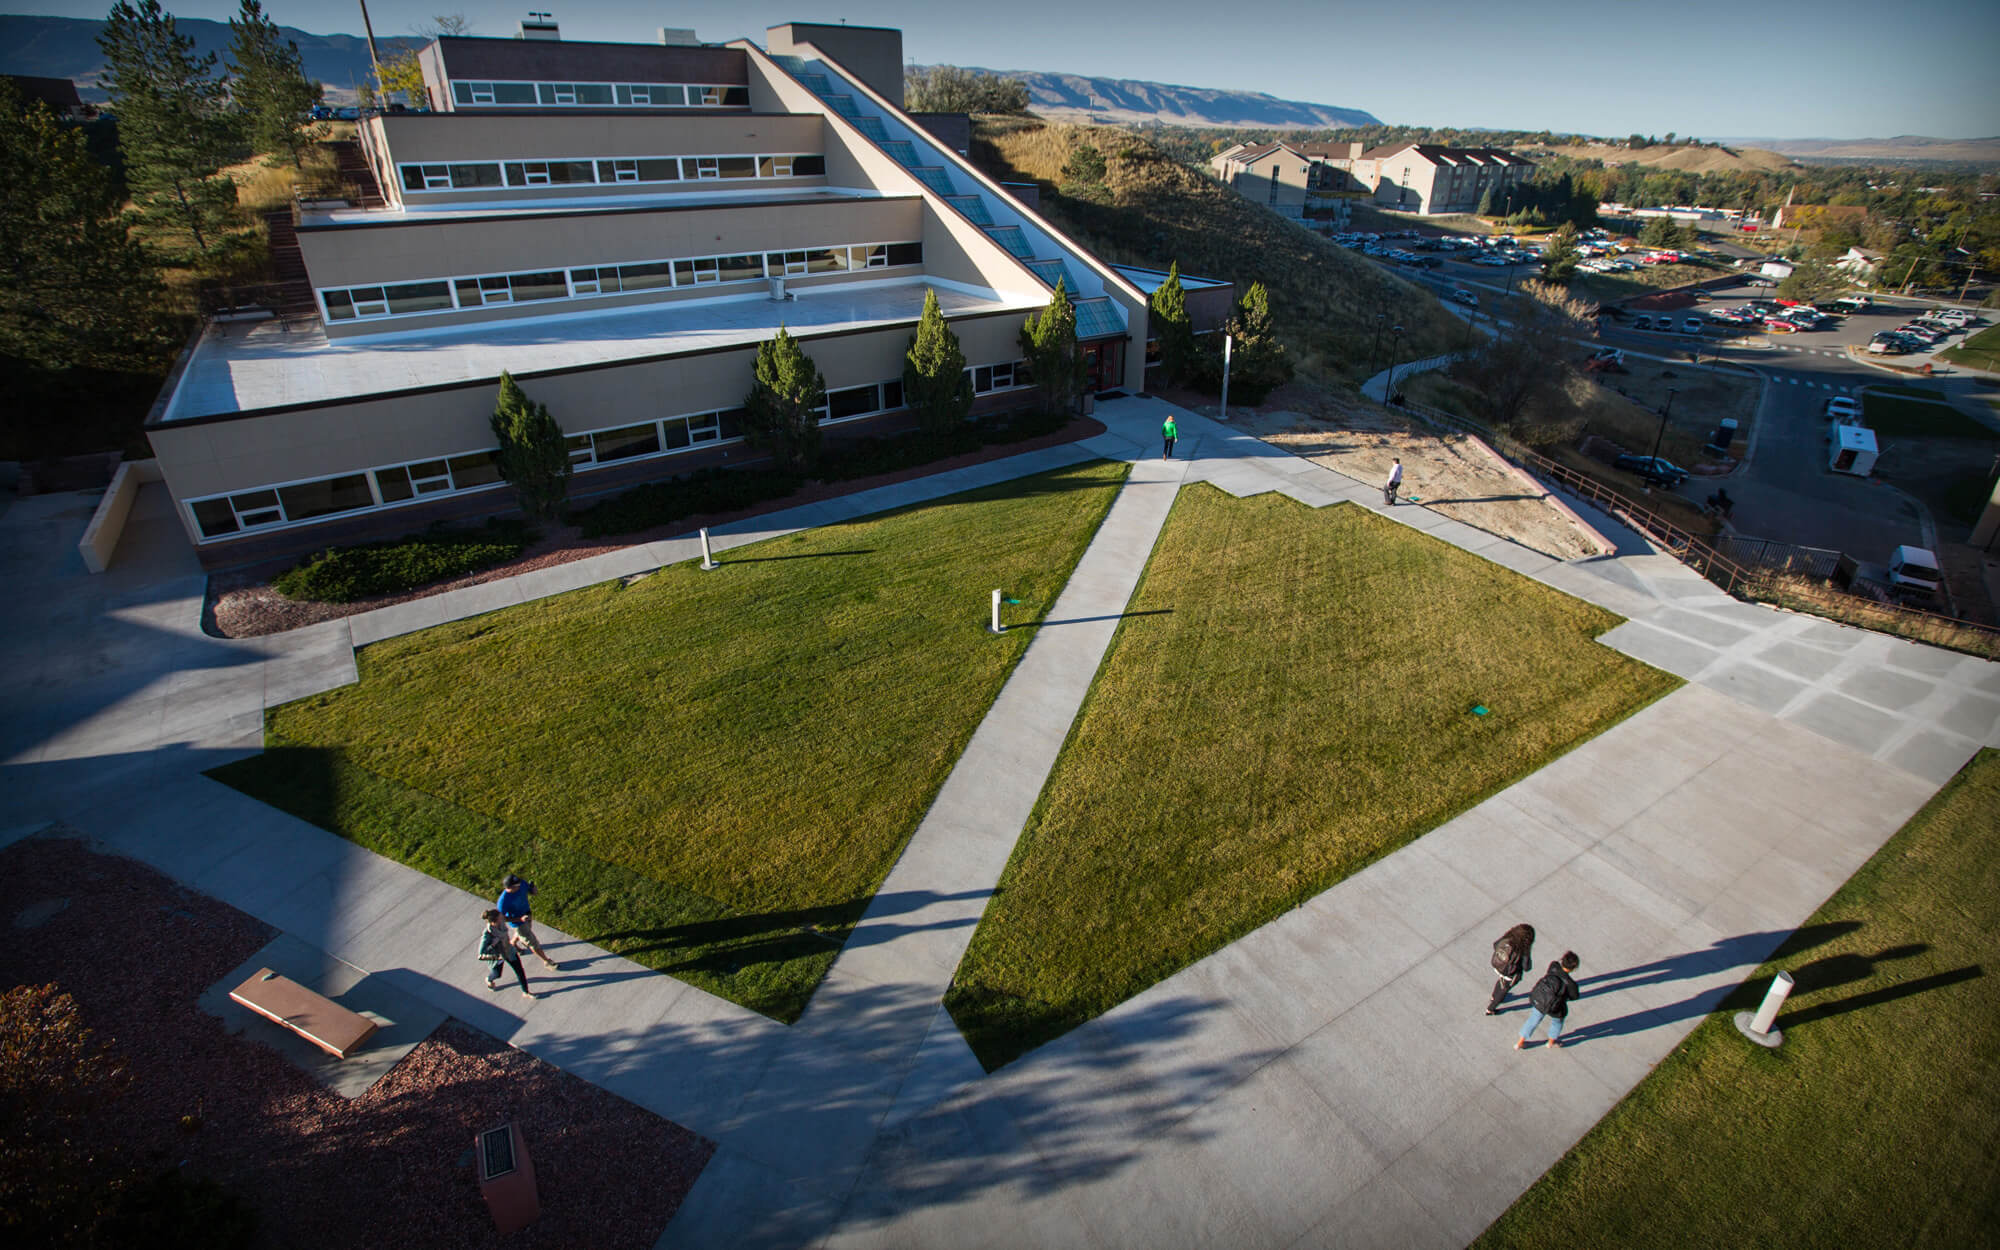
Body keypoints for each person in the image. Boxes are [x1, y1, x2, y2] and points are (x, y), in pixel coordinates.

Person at [1516, 951, 1581, 1049]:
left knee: (1533, 1019)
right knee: (1557, 1022)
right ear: (1574, 968)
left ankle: (1520, 1042)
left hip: (1541, 1000)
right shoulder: (1571, 984)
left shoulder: (1554, 966)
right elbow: (1574, 996)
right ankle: (1551, 1042)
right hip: (1556, 1007)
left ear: (1562, 960)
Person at [497, 874, 558, 970]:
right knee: (533, 942)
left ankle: (512, 944)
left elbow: (532, 892)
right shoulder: (503, 901)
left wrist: (534, 890)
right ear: (510, 888)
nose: (520, 886)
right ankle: (547, 961)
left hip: (527, 914)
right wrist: (519, 919)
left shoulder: (522, 884)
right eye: (517, 885)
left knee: (526, 931)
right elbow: (502, 919)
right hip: (517, 923)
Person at [480, 908, 534, 998]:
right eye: (500, 918)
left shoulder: (500, 922)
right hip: (498, 956)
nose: (503, 919)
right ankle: (489, 979)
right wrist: (494, 948)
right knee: (497, 974)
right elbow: (481, 955)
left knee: (519, 970)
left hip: (509, 951)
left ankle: (526, 992)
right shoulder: (487, 935)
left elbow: (507, 919)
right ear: (494, 922)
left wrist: (520, 919)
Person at [1486, 922, 1535, 1015]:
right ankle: (1490, 1009)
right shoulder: (1523, 949)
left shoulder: (1508, 937)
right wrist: (1528, 951)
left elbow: (1495, 944)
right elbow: (1527, 967)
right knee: (1504, 989)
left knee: (1501, 981)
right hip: (1510, 973)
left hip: (1498, 964)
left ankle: (1493, 996)